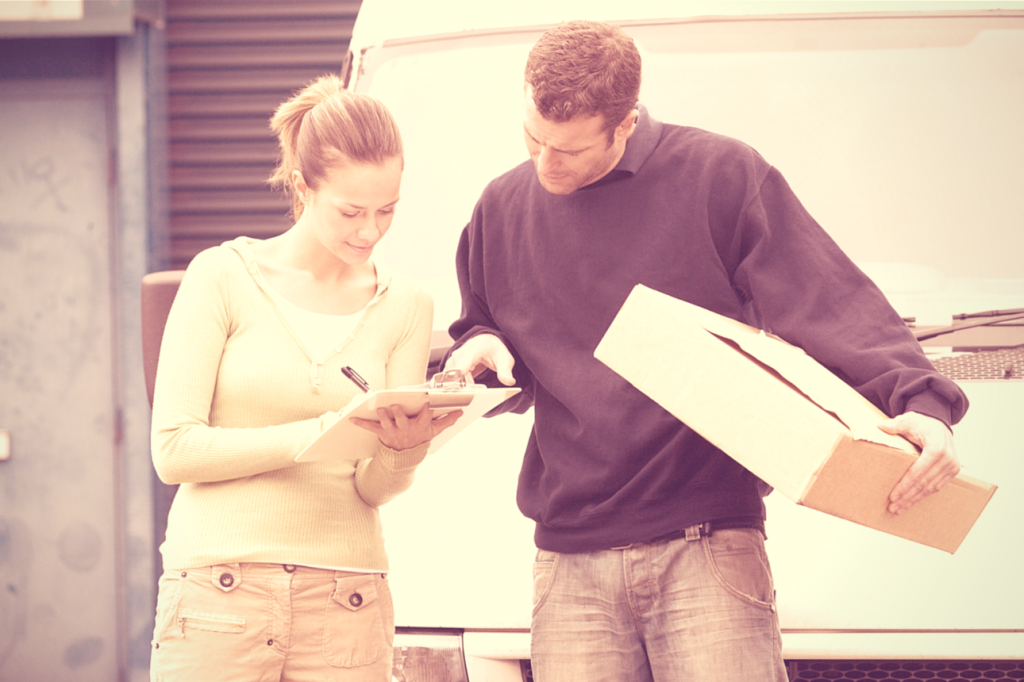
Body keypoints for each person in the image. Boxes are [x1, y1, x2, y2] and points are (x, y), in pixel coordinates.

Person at [442, 20, 968, 682]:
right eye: (533, 139)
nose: (545, 165)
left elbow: (825, 300)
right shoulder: (500, 208)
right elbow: (484, 332)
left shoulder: (720, 176)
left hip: (706, 545)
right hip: (568, 563)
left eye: (569, 151)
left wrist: (921, 400)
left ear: (625, 123)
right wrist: (478, 350)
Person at [148, 74, 460, 682]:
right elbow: (174, 450)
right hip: (217, 595)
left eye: (387, 210)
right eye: (350, 211)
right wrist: (321, 431)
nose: (370, 231)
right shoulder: (222, 276)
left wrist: (403, 449)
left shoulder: (407, 305)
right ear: (301, 187)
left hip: (347, 602)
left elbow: (372, 488)